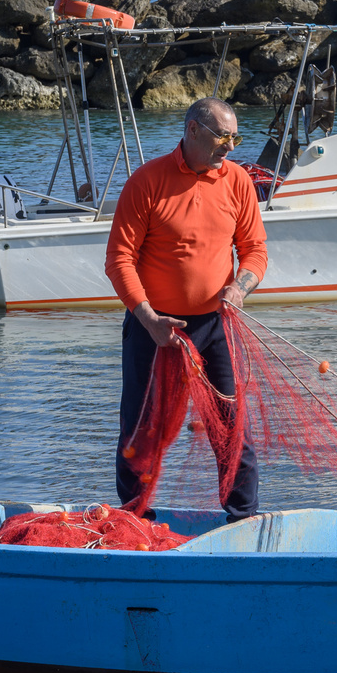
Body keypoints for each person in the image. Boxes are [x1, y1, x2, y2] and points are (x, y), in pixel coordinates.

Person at [104, 97, 267, 521]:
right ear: (192, 130)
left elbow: (254, 251)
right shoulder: (147, 180)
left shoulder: (238, 181)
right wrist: (148, 318)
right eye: (222, 137)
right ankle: (137, 518)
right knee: (141, 429)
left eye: (236, 137)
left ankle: (242, 518)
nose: (230, 147)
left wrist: (240, 287)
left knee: (231, 427)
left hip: (214, 325)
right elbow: (119, 258)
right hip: (152, 327)